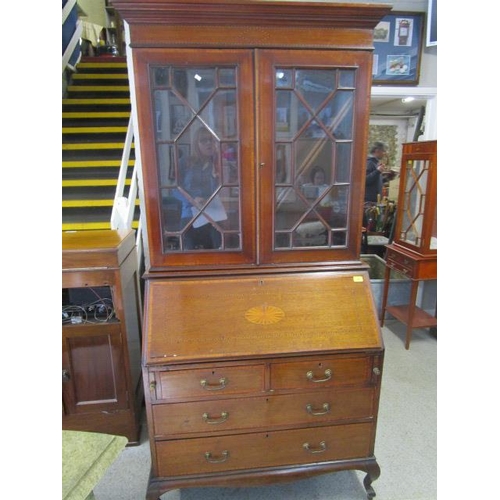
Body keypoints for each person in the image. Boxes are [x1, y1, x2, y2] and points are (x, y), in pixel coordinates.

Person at [176, 128, 226, 250]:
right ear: (196, 144)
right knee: (189, 248)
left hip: (213, 212)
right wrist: (192, 199)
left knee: (219, 246)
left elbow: (226, 190)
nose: (208, 143)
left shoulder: (218, 163)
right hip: (190, 212)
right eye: (203, 141)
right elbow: (175, 189)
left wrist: (218, 174)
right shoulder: (185, 162)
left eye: (211, 140)